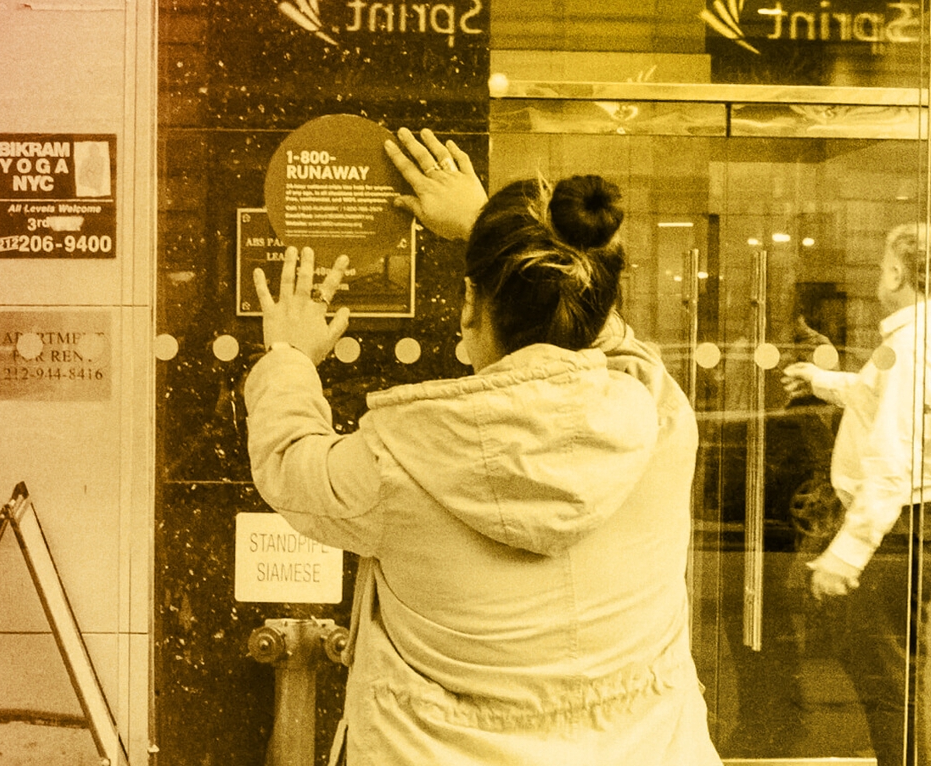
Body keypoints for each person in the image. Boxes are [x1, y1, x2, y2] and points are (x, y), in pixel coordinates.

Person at [243, 128, 718, 764]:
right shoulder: (660, 418)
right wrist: (485, 226)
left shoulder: (396, 461)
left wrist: (291, 356)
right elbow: (603, 330)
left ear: (468, 303)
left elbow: (290, 463)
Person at [780, 223, 931, 766]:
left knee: (886, 672)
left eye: (881, 266)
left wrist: (845, 556)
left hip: (910, 522)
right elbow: (887, 395)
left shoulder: (914, 346)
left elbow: (893, 462)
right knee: (889, 662)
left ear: (897, 273)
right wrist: (823, 382)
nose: (879, 275)